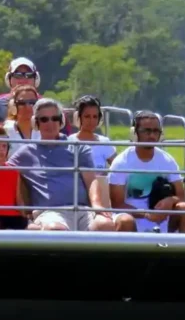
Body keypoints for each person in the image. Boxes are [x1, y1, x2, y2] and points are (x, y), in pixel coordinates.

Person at [7, 98, 116, 232]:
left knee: (105, 225)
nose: (50, 123)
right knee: (55, 228)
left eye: (55, 118)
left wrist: (97, 206)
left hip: (82, 210)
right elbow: (1, 170)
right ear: (36, 123)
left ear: (61, 121)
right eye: (44, 119)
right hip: (49, 213)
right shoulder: (26, 152)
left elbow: (91, 181)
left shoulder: (79, 148)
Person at [109, 111, 185, 234]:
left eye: (156, 131)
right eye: (146, 131)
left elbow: (181, 196)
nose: (151, 135)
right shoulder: (121, 162)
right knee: (125, 221)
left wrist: (170, 201)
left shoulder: (167, 160)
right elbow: (117, 204)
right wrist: (146, 214)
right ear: (134, 133)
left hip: (163, 217)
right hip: (132, 216)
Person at [0, 57, 40, 125]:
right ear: (9, 79)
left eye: (29, 75)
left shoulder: (46, 104)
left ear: (36, 79)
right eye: (18, 75)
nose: (23, 80)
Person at [67, 95, 116, 170]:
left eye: (95, 117)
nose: (91, 121)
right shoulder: (69, 142)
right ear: (78, 117)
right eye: (87, 116)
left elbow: (119, 167)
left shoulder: (104, 142)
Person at [3, 85, 40, 158]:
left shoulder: (45, 130)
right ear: (14, 106)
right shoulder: (5, 131)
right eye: (22, 103)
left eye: (32, 102)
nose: (28, 107)